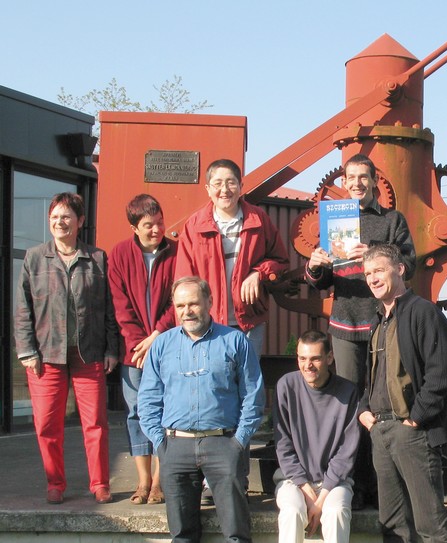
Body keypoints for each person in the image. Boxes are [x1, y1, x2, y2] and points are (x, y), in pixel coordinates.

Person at [305, 153, 416, 508]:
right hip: (345, 325)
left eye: (363, 177)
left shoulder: (391, 221)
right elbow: (321, 284)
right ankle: (351, 486)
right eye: (350, 177)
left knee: (385, 407)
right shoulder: (334, 219)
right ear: (344, 181)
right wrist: (315, 265)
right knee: (352, 408)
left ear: (374, 180)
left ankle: (385, 487)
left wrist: (374, 254)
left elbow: (409, 263)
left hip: (384, 326)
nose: (356, 183)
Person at [138, 276, 265, 543]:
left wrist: (238, 442)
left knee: (236, 535)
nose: (187, 311)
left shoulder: (235, 341)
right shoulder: (162, 345)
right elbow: (148, 400)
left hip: (223, 444)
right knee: (182, 536)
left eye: (194, 303)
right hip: (175, 448)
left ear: (209, 302)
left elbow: (253, 396)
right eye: (181, 305)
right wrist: (161, 445)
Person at [14, 192, 119, 505]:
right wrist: (27, 351)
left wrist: (112, 349)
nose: (59, 222)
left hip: (88, 352)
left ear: (80, 222)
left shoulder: (97, 258)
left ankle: (100, 483)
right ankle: (55, 483)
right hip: (46, 354)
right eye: (54, 217)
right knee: (47, 424)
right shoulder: (35, 258)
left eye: (66, 217)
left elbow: (108, 309)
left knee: (96, 423)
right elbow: (23, 309)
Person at [359, 243, 447, 542]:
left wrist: (413, 421)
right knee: (392, 526)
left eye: (379, 270)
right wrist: (365, 410)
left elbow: (441, 375)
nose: (373, 279)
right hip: (380, 431)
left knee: (431, 526)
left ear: (400, 269)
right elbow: (373, 377)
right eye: (367, 274)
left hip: (412, 432)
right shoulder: (378, 322)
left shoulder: (423, 312)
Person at [175, 158, 289, 359]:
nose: (224, 189)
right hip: (207, 322)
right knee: (211, 382)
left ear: (240, 186)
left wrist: (258, 273)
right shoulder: (194, 227)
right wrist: (184, 326)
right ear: (208, 189)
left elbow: (281, 261)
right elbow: (183, 280)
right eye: (218, 184)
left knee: (247, 382)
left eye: (231, 182)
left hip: (249, 321)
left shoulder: (259, 221)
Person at [108, 194, 177, 505]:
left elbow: (178, 300)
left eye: (160, 222)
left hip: (168, 345)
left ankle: (161, 481)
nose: (156, 229)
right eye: (148, 225)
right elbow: (120, 304)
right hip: (133, 351)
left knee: (166, 413)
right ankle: (143, 480)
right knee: (137, 413)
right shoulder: (120, 254)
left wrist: (158, 336)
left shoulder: (176, 252)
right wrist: (139, 343)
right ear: (133, 227)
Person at [273, 330, 360, 543]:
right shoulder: (286, 386)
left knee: (336, 512)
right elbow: (283, 445)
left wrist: (320, 500)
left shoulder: (348, 391)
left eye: (315, 359)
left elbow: (346, 451)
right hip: (292, 480)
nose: (307, 366)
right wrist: (305, 488)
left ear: (329, 358)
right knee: (292, 512)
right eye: (302, 359)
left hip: (335, 482)